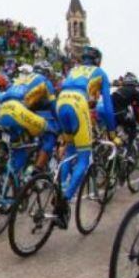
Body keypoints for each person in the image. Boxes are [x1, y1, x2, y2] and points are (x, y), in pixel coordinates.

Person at [55, 46, 115, 229]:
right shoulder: (100, 72)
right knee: (84, 157)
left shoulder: (73, 70)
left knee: (70, 151)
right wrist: (112, 131)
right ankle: (64, 201)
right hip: (77, 104)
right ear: (97, 60)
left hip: (61, 102)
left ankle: (60, 188)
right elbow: (107, 103)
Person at [0, 62, 59, 175]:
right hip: (17, 110)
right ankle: (35, 173)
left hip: (3, 110)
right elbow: (53, 105)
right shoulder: (45, 81)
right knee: (51, 132)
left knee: (19, 151)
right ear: (47, 73)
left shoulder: (21, 78)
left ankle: (10, 182)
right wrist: (60, 124)